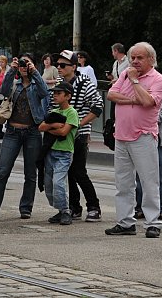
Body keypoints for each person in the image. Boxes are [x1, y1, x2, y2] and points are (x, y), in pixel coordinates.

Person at [105, 42, 162, 239]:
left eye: (140, 58)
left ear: (151, 59)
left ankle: (152, 223)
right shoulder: (125, 74)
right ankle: (125, 222)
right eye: (133, 57)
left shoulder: (158, 79)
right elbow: (111, 94)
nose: (135, 61)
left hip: (144, 135)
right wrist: (133, 99)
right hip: (121, 135)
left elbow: (149, 102)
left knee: (149, 182)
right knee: (123, 182)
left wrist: (134, 82)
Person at [0, 54, 49, 220]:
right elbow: (2, 92)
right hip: (12, 132)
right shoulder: (14, 83)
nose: (24, 66)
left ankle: (26, 208)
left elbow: (44, 92)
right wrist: (11, 71)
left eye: (27, 63)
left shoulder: (36, 83)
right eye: (21, 63)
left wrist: (35, 73)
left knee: (30, 173)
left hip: (32, 132)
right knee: (2, 171)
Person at [54, 50, 104, 222]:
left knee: (79, 171)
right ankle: (74, 207)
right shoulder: (60, 83)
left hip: (79, 135)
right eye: (58, 65)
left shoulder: (84, 83)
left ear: (74, 67)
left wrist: (79, 124)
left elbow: (98, 106)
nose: (59, 68)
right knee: (68, 172)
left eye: (63, 65)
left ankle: (94, 207)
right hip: (63, 134)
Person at [39, 81, 79, 225]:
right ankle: (59, 209)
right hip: (51, 152)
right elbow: (41, 127)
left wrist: (50, 128)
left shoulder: (72, 112)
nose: (55, 96)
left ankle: (65, 210)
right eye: (54, 93)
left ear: (68, 96)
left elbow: (64, 131)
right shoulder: (54, 112)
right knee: (48, 183)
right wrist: (53, 125)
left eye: (59, 93)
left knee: (58, 182)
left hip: (64, 152)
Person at [135, 100, 162, 220]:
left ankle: (160, 208)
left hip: (157, 140)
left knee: (159, 177)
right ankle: (139, 208)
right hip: (139, 139)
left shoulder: (160, 95)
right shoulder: (138, 96)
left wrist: (144, 115)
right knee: (139, 177)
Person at [107, 43, 130, 121]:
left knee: (122, 113)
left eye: (113, 51)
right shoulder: (115, 63)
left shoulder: (128, 62)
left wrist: (118, 80)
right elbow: (115, 77)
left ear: (116, 51)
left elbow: (130, 76)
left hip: (124, 91)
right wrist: (111, 78)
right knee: (113, 114)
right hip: (115, 91)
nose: (112, 54)